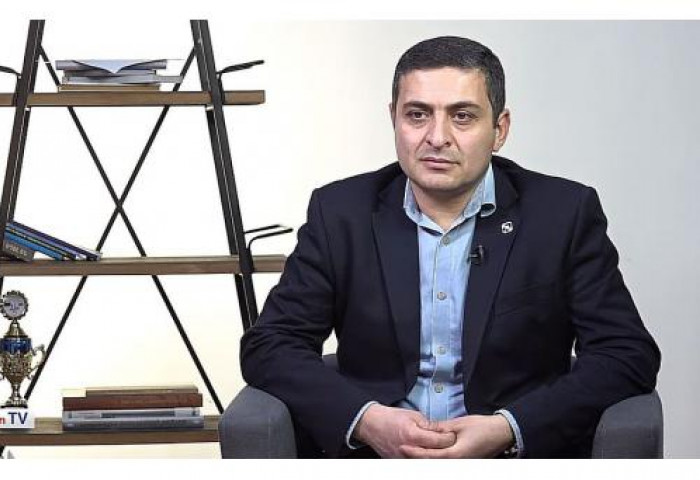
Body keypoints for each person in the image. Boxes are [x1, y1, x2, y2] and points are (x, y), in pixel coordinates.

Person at [240, 35, 660, 459]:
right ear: (393, 119)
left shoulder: (562, 214)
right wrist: (367, 421)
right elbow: (271, 344)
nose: (437, 137)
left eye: (462, 117)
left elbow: (626, 353)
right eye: (417, 115)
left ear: (499, 130)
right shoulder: (340, 212)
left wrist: (508, 429)